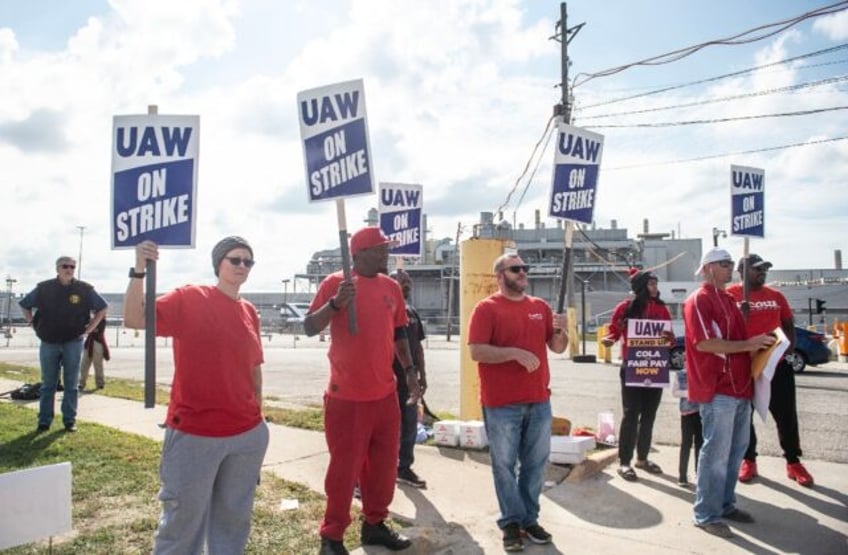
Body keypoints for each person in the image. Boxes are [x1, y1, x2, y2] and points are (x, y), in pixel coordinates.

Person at [124, 237, 269, 555]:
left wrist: (258, 416)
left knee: (233, 523)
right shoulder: (191, 298)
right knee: (182, 526)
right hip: (195, 434)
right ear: (219, 263)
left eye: (248, 261)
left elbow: (254, 367)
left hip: (246, 436)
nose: (242, 266)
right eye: (235, 260)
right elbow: (135, 318)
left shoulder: (249, 311)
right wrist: (139, 271)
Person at [304, 226, 420, 555]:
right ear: (359, 254)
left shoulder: (391, 288)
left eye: (386, 248)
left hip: (385, 394)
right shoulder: (335, 283)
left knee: (384, 468)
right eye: (380, 249)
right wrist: (336, 303)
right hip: (347, 398)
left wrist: (410, 371)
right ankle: (332, 535)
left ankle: (374, 525)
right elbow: (309, 326)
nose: (386, 254)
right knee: (344, 470)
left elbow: (399, 332)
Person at [468, 253, 568, 552]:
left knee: (536, 465)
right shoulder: (486, 309)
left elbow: (558, 347)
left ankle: (529, 518)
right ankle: (511, 522)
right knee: (504, 465)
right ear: (500, 275)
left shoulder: (540, 307)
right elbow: (476, 351)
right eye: (516, 269)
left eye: (524, 268)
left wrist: (564, 328)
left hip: (539, 400)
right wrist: (513, 352)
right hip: (502, 404)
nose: (523, 272)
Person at [684, 247, 775, 539]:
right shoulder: (699, 299)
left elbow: (736, 339)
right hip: (717, 388)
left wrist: (762, 345)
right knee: (716, 453)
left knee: (735, 452)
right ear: (709, 267)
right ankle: (706, 513)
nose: (729, 268)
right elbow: (704, 344)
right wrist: (749, 345)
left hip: (741, 387)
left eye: (729, 263)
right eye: (724, 264)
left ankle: (724, 504)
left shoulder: (730, 299)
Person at [727, 254, 814, 487]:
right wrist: (740, 314)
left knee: (786, 415)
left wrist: (787, 351)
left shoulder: (776, 296)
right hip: (744, 366)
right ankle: (749, 459)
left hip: (776, 365)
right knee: (745, 416)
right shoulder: (730, 296)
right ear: (741, 272)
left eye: (764, 269)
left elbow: (787, 324)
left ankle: (793, 461)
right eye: (757, 269)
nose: (763, 272)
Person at [19, 255, 108, 432]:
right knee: (48, 384)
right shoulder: (44, 288)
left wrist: (91, 327)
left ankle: (69, 420)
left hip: (72, 341)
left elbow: (103, 307)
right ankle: (44, 421)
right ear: (57, 269)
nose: (69, 269)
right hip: (49, 341)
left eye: (72, 267)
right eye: (65, 266)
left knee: (71, 383)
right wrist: (31, 323)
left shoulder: (84, 289)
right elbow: (25, 304)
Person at [602, 269, 673, 482]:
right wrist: (609, 339)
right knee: (631, 414)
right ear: (641, 286)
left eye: (656, 284)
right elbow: (614, 330)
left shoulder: (662, 308)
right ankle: (624, 462)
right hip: (633, 366)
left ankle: (642, 459)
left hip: (655, 366)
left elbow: (669, 339)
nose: (655, 288)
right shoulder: (625, 307)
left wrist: (669, 338)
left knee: (649, 415)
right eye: (651, 284)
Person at [390, 269, 428, 489]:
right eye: (402, 281)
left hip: (410, 380)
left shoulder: (412, 312)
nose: (407, 285)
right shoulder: (386, 310)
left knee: (410, 424)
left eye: (409, 282)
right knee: (387, 428)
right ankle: (369, 474)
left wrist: (422, 374)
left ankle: (404, 467)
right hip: (389, 378)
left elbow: (418, 346)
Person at [672, 366, 702, 488]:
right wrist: (690, 393)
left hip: (701, 413)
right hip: (687, 414)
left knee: (700, 444)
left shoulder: (702, 372)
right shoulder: (680, 374)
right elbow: (675, 392)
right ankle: (682, 475)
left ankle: (699, 473)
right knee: (686, 444)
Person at [79, 318, 110, 390]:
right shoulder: (90, 319)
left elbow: (96, 330)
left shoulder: (102, 320)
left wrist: (89, 327)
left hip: (97, 343)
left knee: (98, 365)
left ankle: (100, 384)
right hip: (89, 343)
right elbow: (86, 328)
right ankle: (81, 383)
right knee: (84, 364)